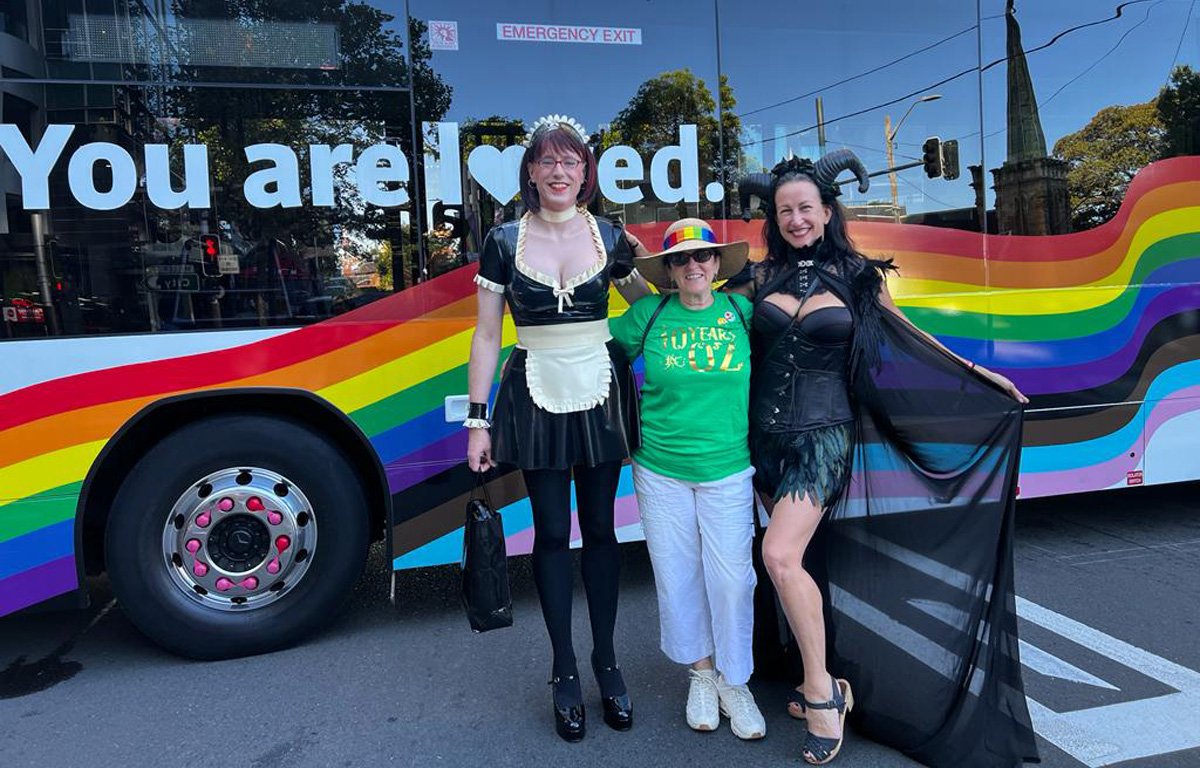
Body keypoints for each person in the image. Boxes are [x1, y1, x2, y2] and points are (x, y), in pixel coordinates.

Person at [729, 151, 1037, 766]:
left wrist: (977, 373)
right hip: (761, 441)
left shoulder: (859, 276)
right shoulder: (758, 278)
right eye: (784, 210)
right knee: (797, 562)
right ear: (774, 216)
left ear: (826, 211)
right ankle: (822, 672)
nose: (795, 219)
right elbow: (702, 313)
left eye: (805, 209)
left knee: (779, 556)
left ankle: (821, 692)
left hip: (823, 438)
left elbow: (907, 332)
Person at [465, 115, 651, 742]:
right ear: (531, 172)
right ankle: (564, 669)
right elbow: (488, 333)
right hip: (533, 387)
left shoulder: (612, 236)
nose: (559, 172)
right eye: (547, 161)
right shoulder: (503, 239)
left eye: (571, 162)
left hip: (600, 386)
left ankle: (606, 660)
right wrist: (477, 421)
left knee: (601, 530)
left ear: (586, 173)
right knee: (550, 533)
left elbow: (654, 303)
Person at [609, 218, 767, 740]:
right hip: (660, 470)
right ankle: (701, 675)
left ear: (718, 265)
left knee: (732, 580)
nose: (694, 266)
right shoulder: (646, 317)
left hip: (728, 469)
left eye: (703, 257)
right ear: (670, 271)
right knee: (677, 575)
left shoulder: (743, 314)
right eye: (681, 260)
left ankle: (734, 679)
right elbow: (591, 358)